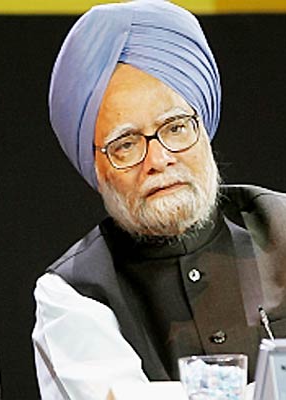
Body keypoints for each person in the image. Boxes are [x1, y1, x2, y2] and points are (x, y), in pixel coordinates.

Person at [32, 1, 286, 399]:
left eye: (176, 127)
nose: (159, 159)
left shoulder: (282, 224)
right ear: (96, 168)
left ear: (203, 129)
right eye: (126, 144)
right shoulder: (73, 293)